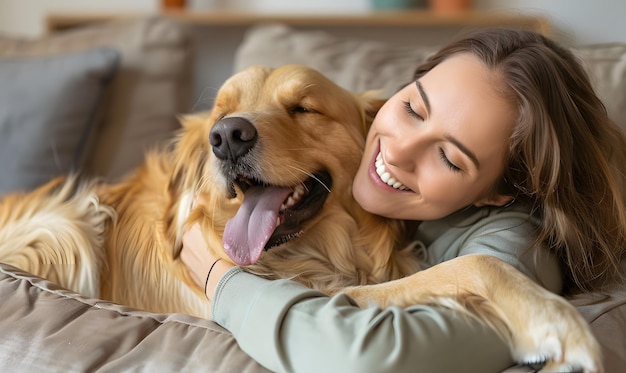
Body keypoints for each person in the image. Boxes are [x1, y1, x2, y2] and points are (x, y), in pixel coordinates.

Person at [181, 28, 626, 372]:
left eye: (449, 157)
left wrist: (221, 282)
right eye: (413, 109)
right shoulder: (360, 185)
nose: (395, 151)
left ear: (500, 192)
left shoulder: (518, 245)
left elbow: (366, 358)